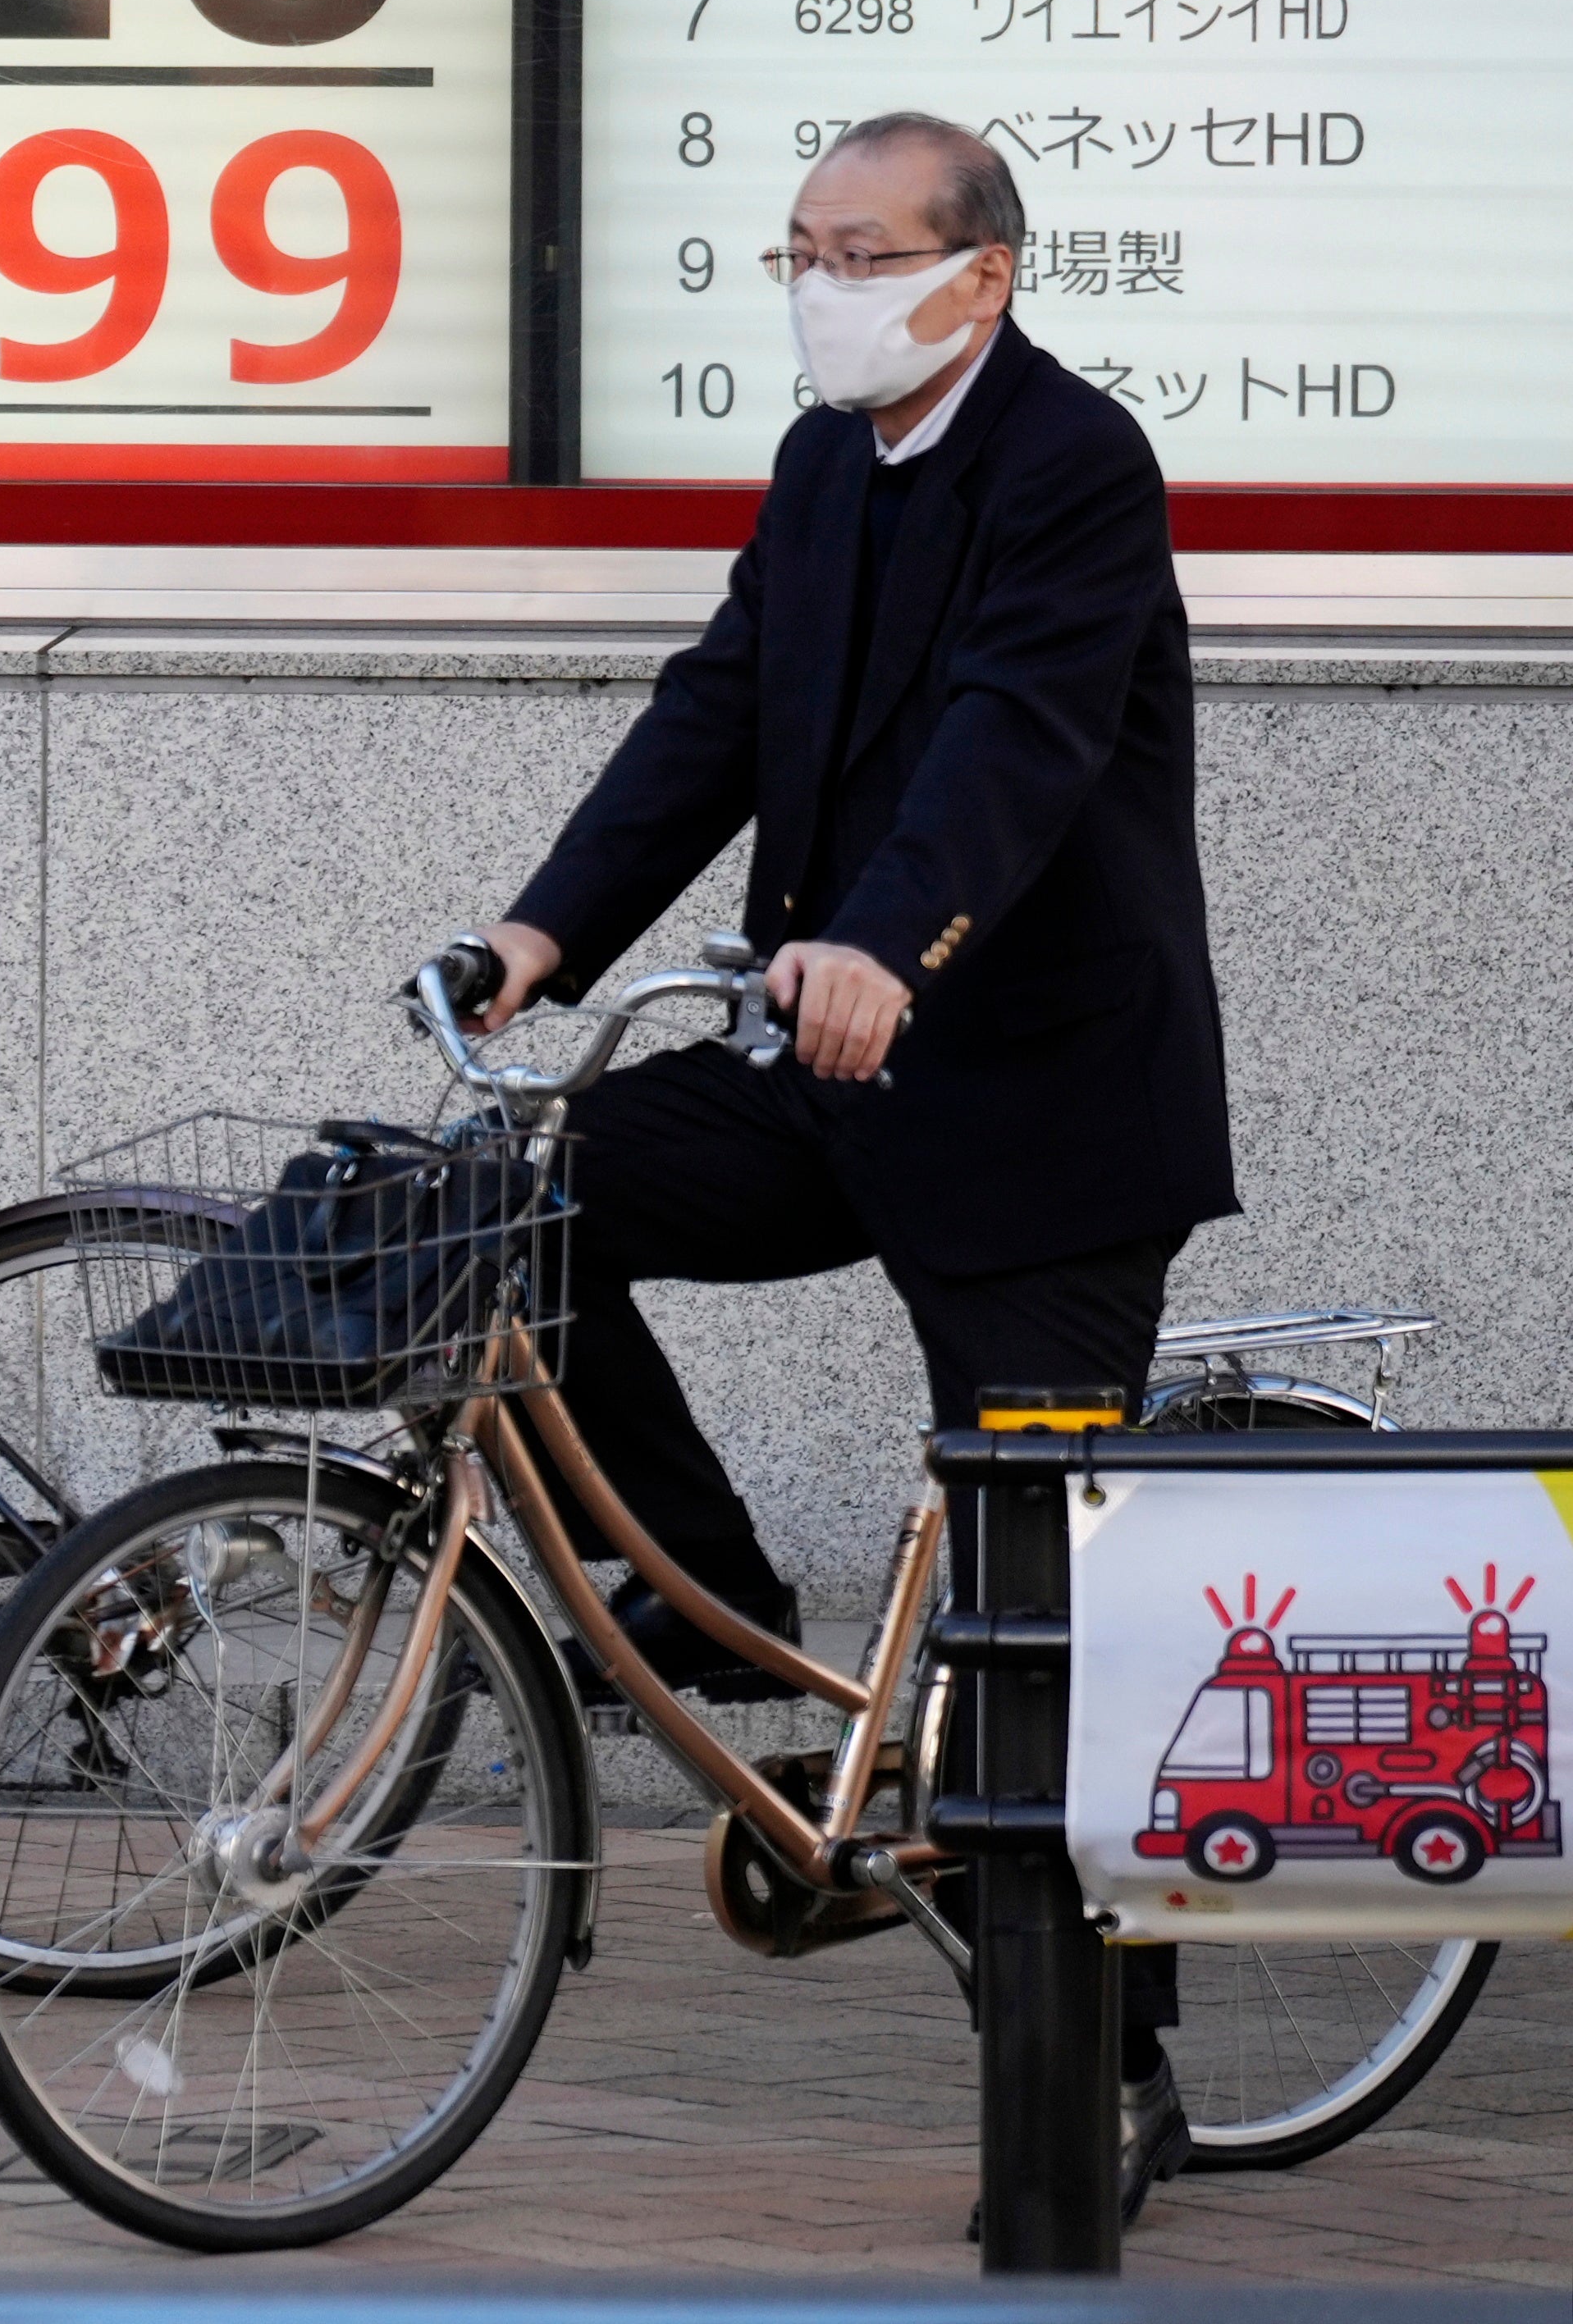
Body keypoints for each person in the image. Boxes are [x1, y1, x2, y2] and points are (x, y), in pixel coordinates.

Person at [466, 112, 1230, 2185]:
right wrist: (542, 934)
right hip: (832, 1071)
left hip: (1046, 1111)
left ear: (983, 274)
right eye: (799, 249)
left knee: (1039, 1610)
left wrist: (890, 940)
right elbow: (714, 713)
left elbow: (1017, 738)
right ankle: (721, 1630)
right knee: (523, 1194)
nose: (823, 287)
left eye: (865, 251)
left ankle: (1112, 2076)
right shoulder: (822, 465)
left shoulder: (1075, 462)